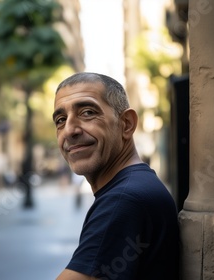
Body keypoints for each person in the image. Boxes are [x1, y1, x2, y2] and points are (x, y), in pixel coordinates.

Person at [53, 72, 179, 279]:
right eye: (60, 119)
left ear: (126, 124)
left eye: (87, 112)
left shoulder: (124, 200)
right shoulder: (136, 186)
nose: (69, 130)